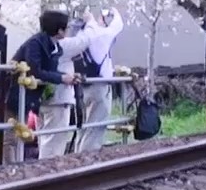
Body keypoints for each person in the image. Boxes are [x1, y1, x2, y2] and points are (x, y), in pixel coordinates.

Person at [10, 9, 78, 161]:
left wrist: (65, 77)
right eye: (66, 28)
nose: (68, 31)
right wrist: (61, 78)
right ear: (59, 30)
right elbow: (36, 70)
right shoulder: (36, 43)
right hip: (19, 94)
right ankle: (45, 168)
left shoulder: (51, 45)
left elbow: (46, 71)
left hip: (34, 96)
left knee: (38, 136)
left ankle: (44, 166)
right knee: (15, 136)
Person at [71, 8, 125, 152]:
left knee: (83, 126)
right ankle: (87, 160)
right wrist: (114, 12)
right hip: (99, 86)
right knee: (95, 126)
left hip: (81, 86)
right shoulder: (100, 35)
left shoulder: (79, 35)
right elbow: (118, 25)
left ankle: (77, 157)